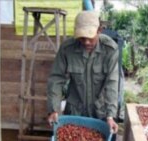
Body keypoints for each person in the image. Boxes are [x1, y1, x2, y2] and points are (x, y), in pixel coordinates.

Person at [47, 10, 119, 138]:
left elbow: (112, 82)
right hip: (74, 110)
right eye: (82, 37)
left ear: (99, 30)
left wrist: (110, 115)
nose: (86, 42)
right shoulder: (67, 49)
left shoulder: (110, 50)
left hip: (100, 112)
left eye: (90, 37)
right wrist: (54, 109)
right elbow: (56, 79)